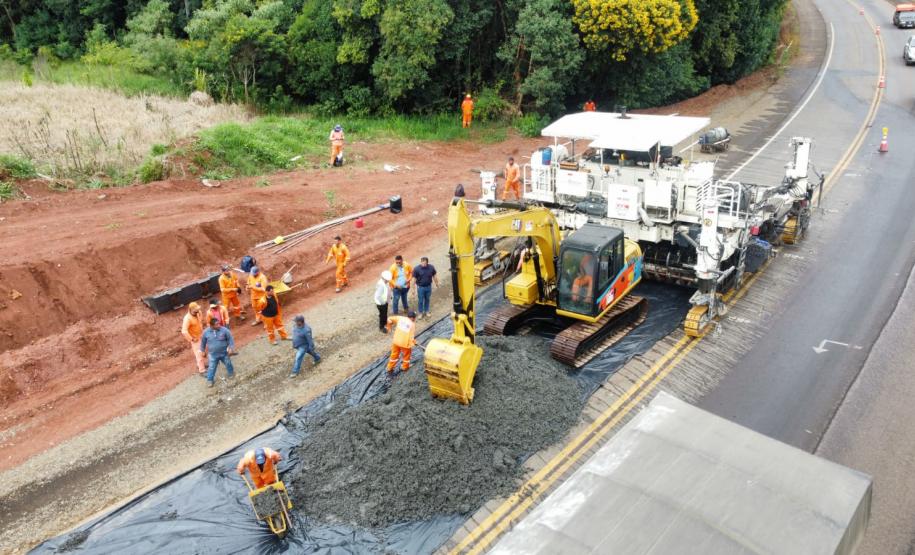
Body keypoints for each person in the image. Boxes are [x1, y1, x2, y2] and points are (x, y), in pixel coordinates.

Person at [201, 317, 236, 387]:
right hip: (213, 355)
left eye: (219, 323)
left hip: (224, 353)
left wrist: (231, 348)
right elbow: (203, 342)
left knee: (228, 363)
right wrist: (202, 351)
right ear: (211, 326)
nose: (219, 325)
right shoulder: (206, 332)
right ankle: (210, 380)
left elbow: (230, 339)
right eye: (216, 324)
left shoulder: (224, 330)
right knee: (211, 367)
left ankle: (231, 373)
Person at [181, 302, 206, 374]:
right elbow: (184, 331)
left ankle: (200, 365)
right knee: (199, 354)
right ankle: (202, 370)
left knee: (203, 351)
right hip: (195, 339)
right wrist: (191, 339)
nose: (198, 311)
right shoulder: (187, 319)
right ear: (190, 310)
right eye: (196, 310)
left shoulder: (198, 312)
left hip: (201, 335)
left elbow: (200, 321)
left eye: (198, 309)